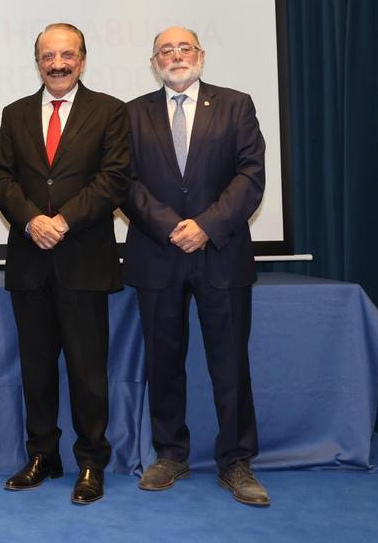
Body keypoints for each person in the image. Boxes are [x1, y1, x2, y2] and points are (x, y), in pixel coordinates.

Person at [122, 27, 269, 506]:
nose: (176, 56)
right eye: (166, 50)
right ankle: (171, 453)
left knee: (230, 363)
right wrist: (171, 227)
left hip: (221, 254)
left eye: (185, 48)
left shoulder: (235, 104)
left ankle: (237, 461)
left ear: (201, 55)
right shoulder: (131, 114)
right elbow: (125, 183)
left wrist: (205, 225)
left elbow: (251, 176)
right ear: (153, 61)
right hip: (157, 254)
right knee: (164, 362)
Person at [0, 23, 131, 504]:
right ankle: (42, 456)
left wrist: (63, 221)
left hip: (84, 261)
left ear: (83, 59)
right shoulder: (14, 113)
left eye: (67, 54)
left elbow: (114, 179)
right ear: (38, 62)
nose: (57, 63)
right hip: (30, 262)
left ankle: (92, 462)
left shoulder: (110, 112)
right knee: (36, 369)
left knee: (89, 371)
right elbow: (3, 179)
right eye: (48, 55)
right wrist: (32, 221)